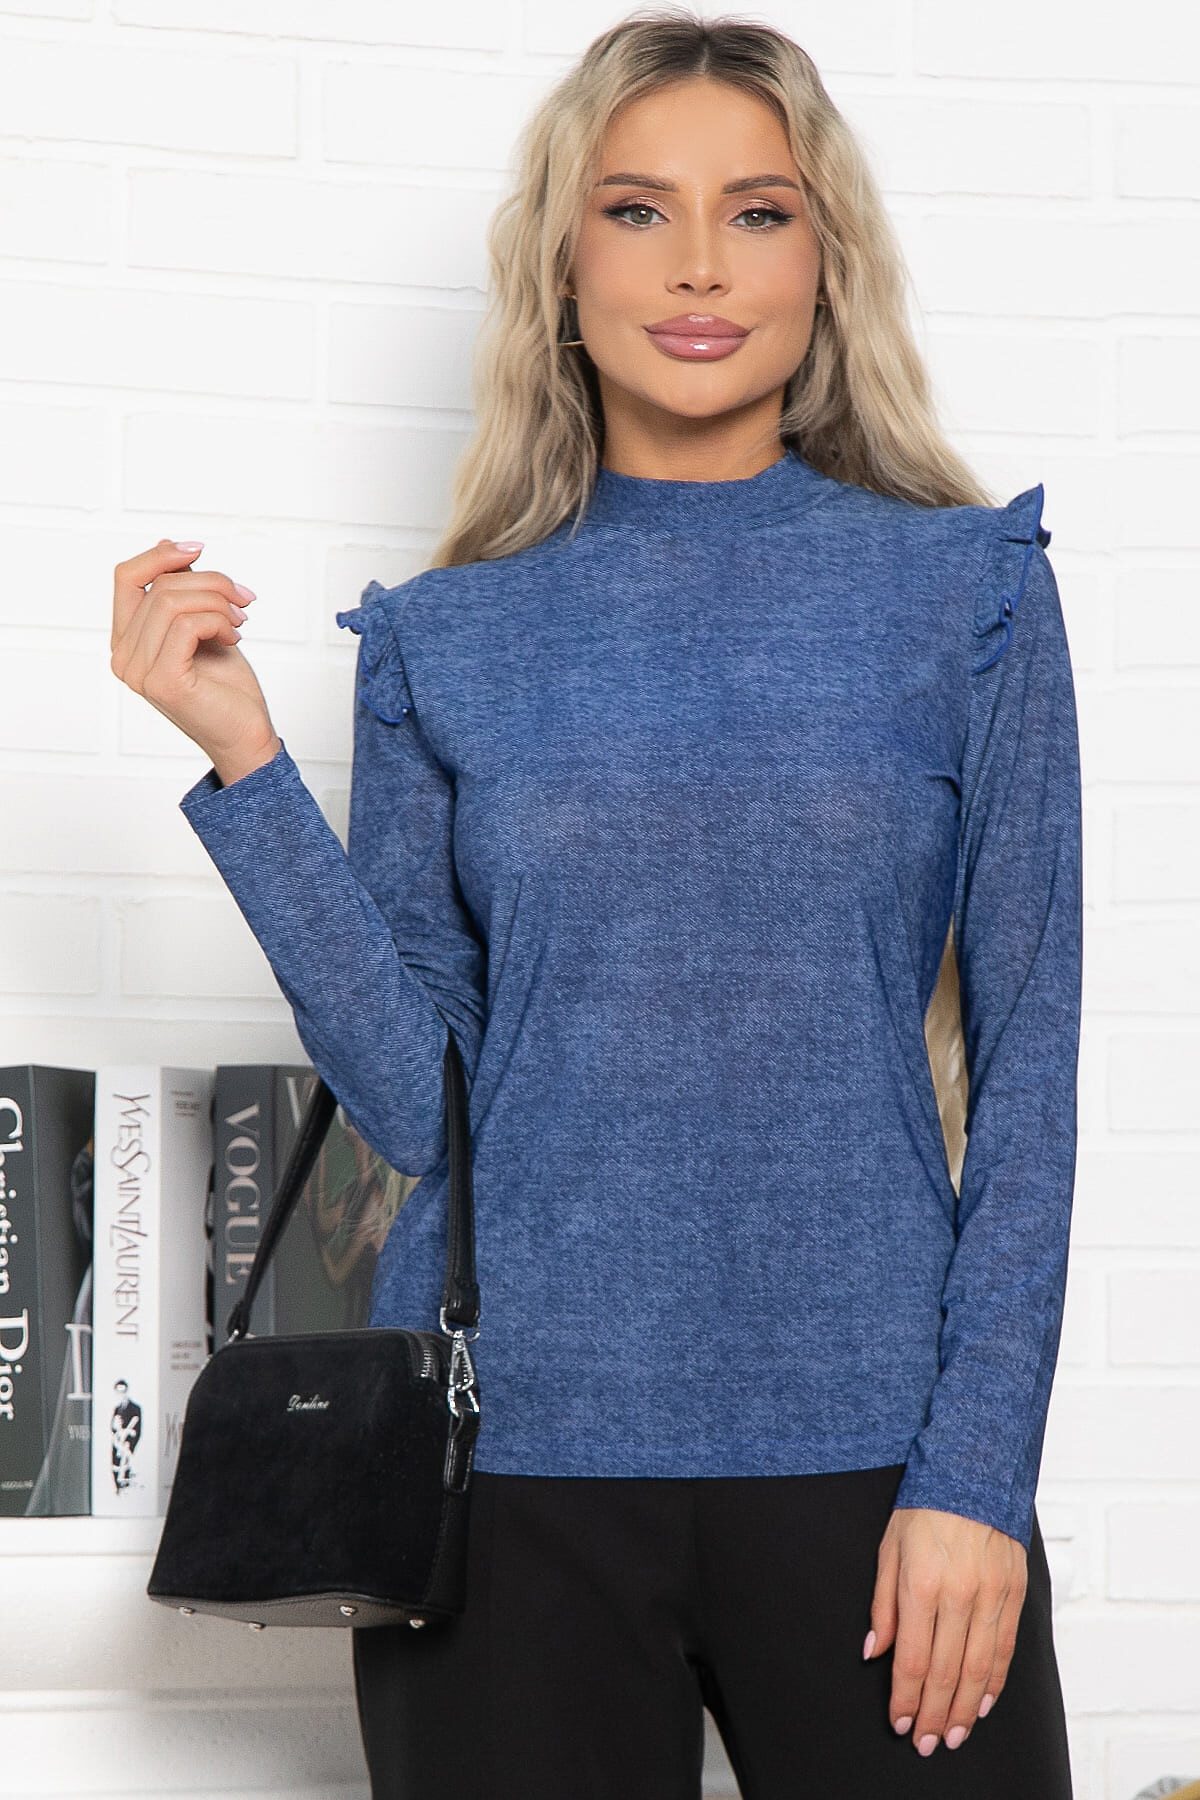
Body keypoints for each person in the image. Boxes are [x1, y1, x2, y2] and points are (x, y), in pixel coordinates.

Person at [109, 10, 1082, 1796]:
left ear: (826, 263)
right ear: (564, 267)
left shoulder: (969, 597)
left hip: (882, 1471)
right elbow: (420, 1107)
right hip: (509, 1481)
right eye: (638, 210)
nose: (699, 264)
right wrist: (249, 769)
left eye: (758, 213)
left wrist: (977, 1473)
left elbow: (1032, 1071)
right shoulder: (443, 640)